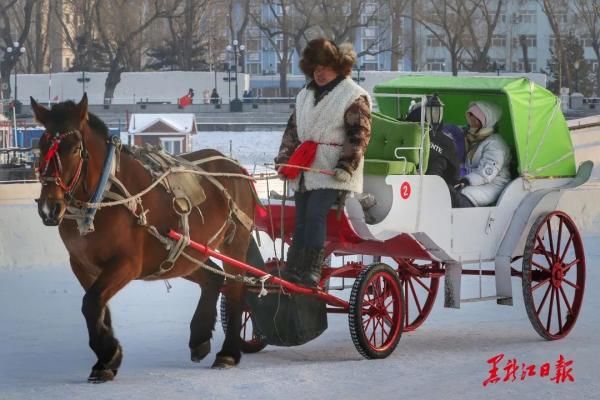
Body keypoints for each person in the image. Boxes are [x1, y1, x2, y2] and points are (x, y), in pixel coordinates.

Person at [274, 38, 372, 287]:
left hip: (333, 169)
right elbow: (293, 132)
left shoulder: (353, 95)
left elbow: (359, 134)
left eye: (324, 67)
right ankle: (294, 266)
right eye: (315, 67)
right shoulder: (304, 95)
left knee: (316, 214)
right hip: (304, 168)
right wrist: (284, 160)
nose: (319, 72)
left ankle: (312, 269)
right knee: (301, 218)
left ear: (339, 67)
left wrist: (346, 165)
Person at [449, 101, 511, 208]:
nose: (471, 120)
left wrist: (466, 180)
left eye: (475, 118)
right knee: (447, 190)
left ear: (485, 122)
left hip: (493, 185)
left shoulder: (496, 144)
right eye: (470, 116)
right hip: (475, 181)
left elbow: (486, 173)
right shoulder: (474, 138)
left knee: (459, 197)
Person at [405, 101, 461, 186]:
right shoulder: (447, 142)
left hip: (405, 185)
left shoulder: (403, 137)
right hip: (437, 188)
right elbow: (455, 174)